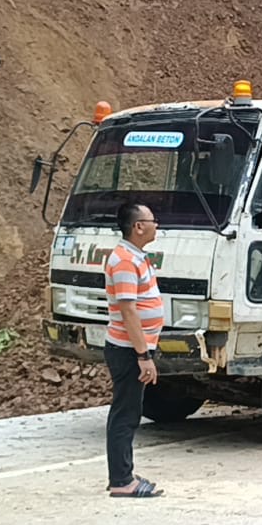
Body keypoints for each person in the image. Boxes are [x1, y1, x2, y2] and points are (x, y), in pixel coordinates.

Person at [103, 202, 166, 498]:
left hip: (131, 348)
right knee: (125, 415)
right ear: (138, 226)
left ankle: (122, 472)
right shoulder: (126, 261)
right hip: (128, 350)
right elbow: (129, 312)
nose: (157, 224)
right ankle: (121, 481)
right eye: (152, 220)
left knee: (128, 412)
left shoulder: (135, 257)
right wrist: (144, 357)